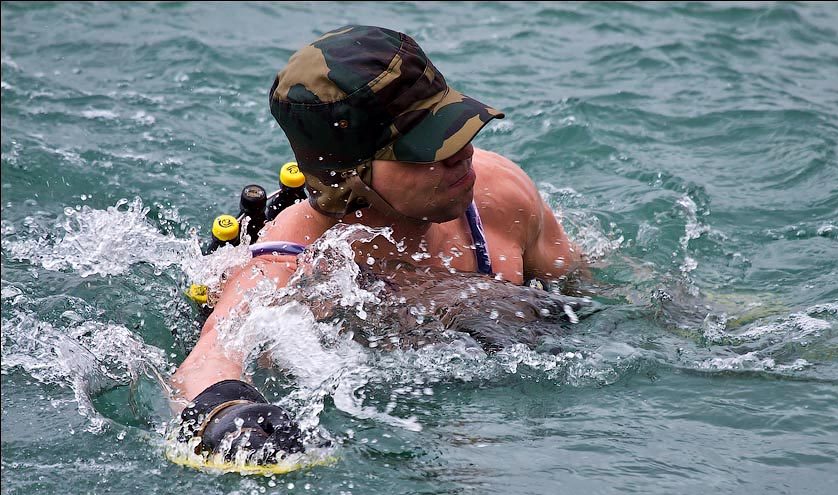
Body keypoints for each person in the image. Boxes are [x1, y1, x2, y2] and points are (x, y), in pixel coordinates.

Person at [167, 25, 583, 467]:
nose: (462, 151)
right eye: (427, 147)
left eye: (455, 125)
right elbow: (204, 364)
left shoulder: (499, 195)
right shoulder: (291, 261)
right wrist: (232, 418)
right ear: (352, 174)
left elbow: (586, 285)